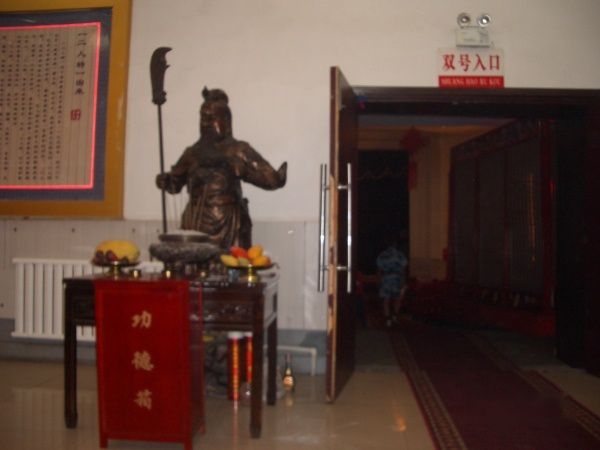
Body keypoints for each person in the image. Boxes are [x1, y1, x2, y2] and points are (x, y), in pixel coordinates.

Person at [156, 87, 287, 249]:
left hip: (229, 221)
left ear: (226, 120)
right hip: (195, 221)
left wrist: (246, 171)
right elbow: (175, 184)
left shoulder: (239, 150)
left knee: (231, 261)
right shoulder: (192, 153)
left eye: (212, 118)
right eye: (203, 118)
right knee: (195, 261)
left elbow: (270, 179)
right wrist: (165, 180)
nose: (206, 123)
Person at [376, 233, 408, 327]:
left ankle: (387, 318)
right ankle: (394, 315)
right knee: (397, 298)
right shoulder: (400, 255)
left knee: (386, 299)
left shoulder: (382, 255)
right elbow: (404, 269)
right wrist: (404, 281)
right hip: (397, 278)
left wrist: (379, 281)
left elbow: (379, 270)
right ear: (395, 244)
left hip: (386, 278)